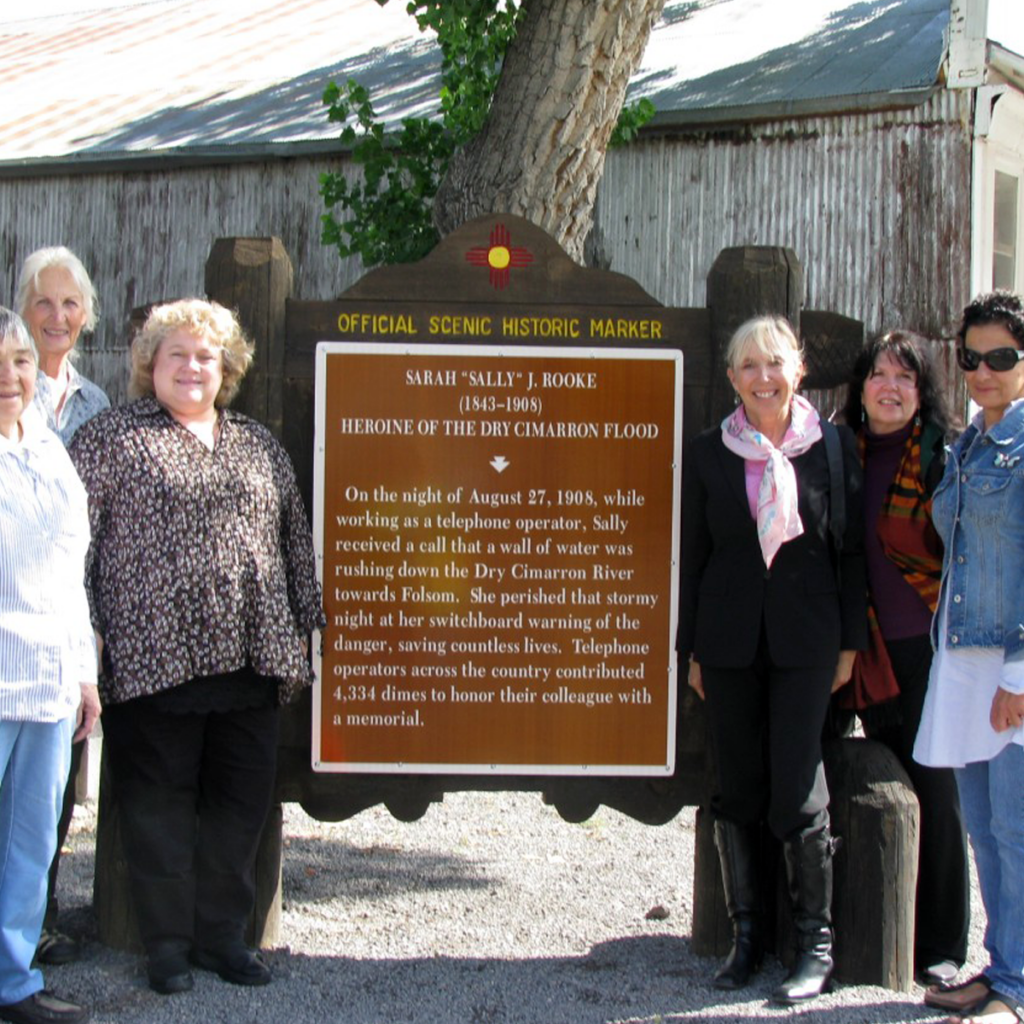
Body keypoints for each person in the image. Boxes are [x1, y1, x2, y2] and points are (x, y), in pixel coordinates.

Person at [68, 299, 325, 996]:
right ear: (150, 363)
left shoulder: (256, 443)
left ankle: (222, 940)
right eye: (176, 354)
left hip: (251, 657)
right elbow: (72, 549)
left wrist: (308, 629)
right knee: (158, 810)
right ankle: (168, 948)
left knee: (239, 809)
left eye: (206, 356)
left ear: (227, 369)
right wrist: (79, 632)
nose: (191, 367)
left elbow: (293, 538)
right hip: (153, 661)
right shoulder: (109, 439)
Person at [679, 315, 867, 1005]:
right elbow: (693, 561)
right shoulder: (707, 454)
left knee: (798, 786)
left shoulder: (835, 449)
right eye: (748, 365)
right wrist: (690, 649)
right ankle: (748, 936)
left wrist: (847, 643)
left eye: (774, 363)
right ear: (731, 377)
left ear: (800, 369)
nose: (763, 377)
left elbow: (850, 554)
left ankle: (814, 944)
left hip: (806, 643)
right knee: (737, 789)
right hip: (728, 643)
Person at [840, 330, 969, 986]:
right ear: (860, 387)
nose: (890, 388)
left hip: (926, 649)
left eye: (905, 378)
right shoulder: (842, 453)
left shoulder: (944, 457)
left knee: (934, 789)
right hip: (859, 648)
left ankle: (942, 944)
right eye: (878, 375)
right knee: (865, 782)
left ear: (923, 393)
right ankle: (867, 924)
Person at [914, 291, 1024, 1024]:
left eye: (1002, 358)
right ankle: (1003, 965)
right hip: (965, 659)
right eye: (972, 357)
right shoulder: (969, 442)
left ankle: (1015, 986)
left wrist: (1020, 673)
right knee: (984, 828)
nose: (983, 371)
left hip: (1011, 662)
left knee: (1016, 829)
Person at [0, 307, 99, 1024]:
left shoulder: (48, 447)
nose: (10, 377)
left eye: (21, 360)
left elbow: (72, 571)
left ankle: (13, 982)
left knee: (31, 843)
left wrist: (86, 673)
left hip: (48, 677)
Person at [15, 246, 110, 966]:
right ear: (23, 309)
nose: (56, 317)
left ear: (86, 315)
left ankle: (33, 922)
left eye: (69, 304)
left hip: (64, 621)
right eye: (43, 303)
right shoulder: (10, 388)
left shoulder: (96, 404)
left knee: (51, 800)